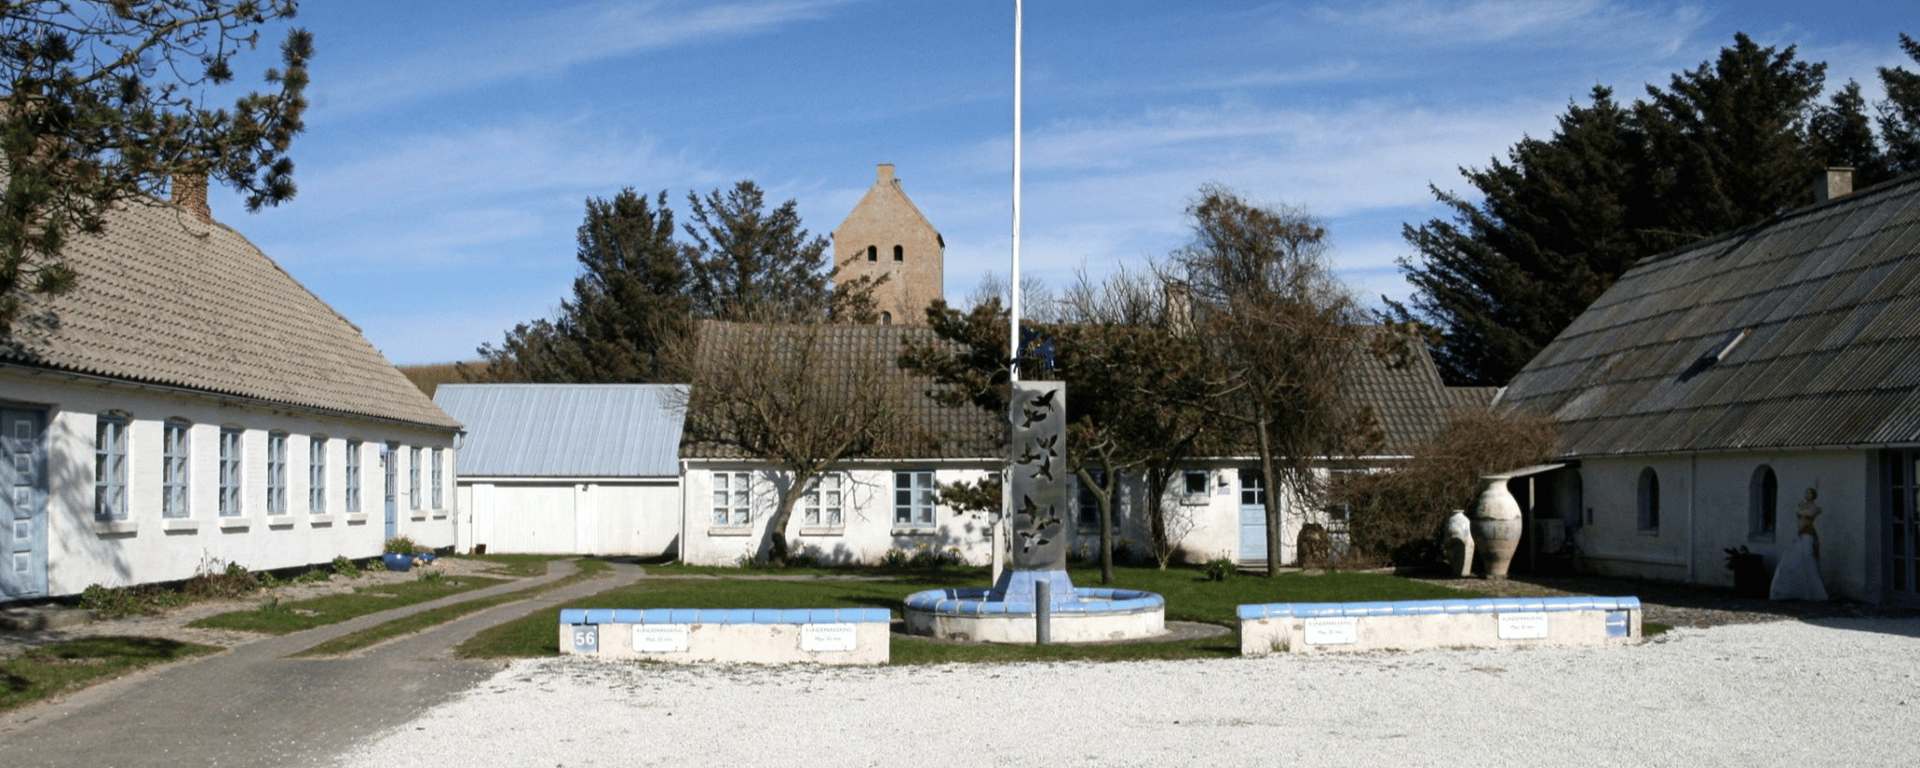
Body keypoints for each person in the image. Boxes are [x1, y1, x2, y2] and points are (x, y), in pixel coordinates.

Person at [1769, 488, 1828, 601]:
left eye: (1810, 493)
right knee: (1791, 560)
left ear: (1813, 495)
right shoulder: (1801, 505)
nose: (1807, 495)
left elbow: (1812, 515)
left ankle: (1815, 593)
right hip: (1800, 534)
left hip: (1808, 533)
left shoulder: (1815, 508)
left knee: (1808, 559)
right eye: (1806, 492)